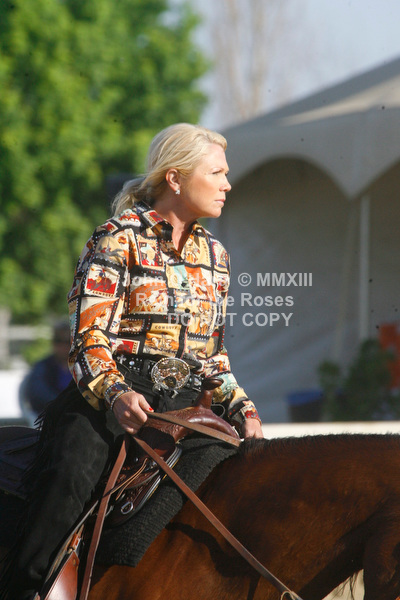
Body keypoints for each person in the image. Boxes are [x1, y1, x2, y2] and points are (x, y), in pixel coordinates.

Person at [5, 123, 263, 600]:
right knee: (69, 475)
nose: (228, 184)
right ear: (175, 178)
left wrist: (243, 407)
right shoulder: (116, 238)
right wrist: (116, 393)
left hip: (190, 406)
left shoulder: (217, 257)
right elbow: (87, 339)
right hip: (110, 400)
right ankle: (28, 589)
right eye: (217, 173)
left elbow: (212, 355)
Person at [19, 321, 73, 425]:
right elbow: (39, 394)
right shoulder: (42, 367)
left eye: (67, 342)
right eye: (58, 341)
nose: (63, 346)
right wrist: (63, 404)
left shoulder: (82, 367)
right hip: (49, 419)